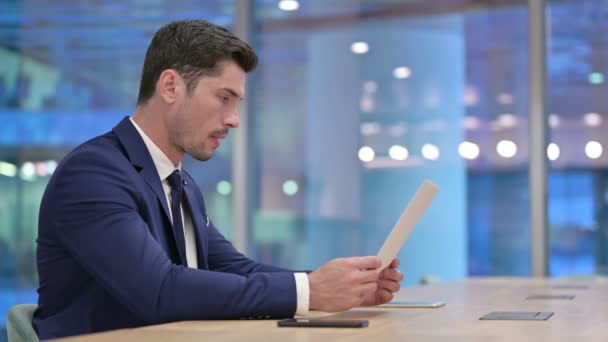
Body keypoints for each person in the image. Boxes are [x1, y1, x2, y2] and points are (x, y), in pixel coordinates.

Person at [33, 19, 403, 340]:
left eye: (237, 103)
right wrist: (309, 291)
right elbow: (159, 290)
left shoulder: (181, 184)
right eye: (224, 98)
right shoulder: (93, 174)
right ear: (171, 87)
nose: (233, 120)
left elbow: (238, 270)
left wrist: (341, 287)